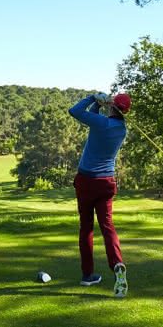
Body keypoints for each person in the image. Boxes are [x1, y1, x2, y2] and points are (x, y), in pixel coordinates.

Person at [68, 91, 131, 298]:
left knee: (86, 228)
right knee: (107, 226)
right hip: (106, 183)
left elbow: (74, 111)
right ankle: (117, 263)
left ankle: (87, 275)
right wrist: (101, 106)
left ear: (112, 106)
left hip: (87, 181)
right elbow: (95, 121)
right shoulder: (121, 129)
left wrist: (93, 98)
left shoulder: (102, 123)